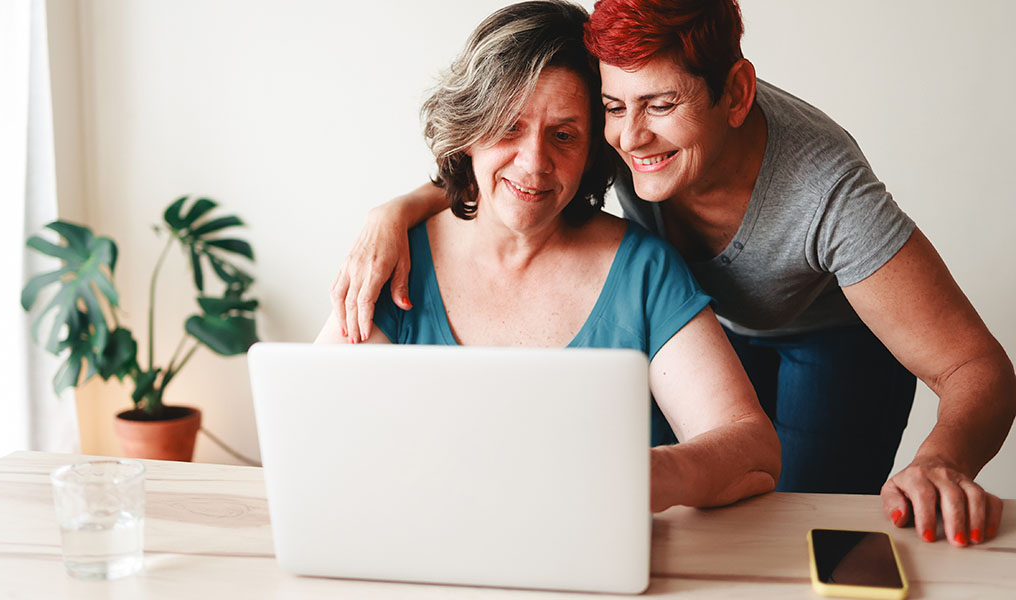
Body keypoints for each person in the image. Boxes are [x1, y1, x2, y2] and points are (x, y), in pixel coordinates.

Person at [328, 0, 1015, 547]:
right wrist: (395, 211)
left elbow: (974, 366)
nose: (631, 138)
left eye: (661, 106)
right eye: (615, 111)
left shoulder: (827, 193)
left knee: (801, 526)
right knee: (695, 521)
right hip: (698, 317)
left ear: (736, 94)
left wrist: (941, 462)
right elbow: (514, 163)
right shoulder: (609, 131)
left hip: (827, 338)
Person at [315, 0, 779, 513]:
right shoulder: (396, 262)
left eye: (563, 136)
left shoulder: (643, 272)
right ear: (469, 130)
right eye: (509, 127)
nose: (534, 164)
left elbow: (753, 448)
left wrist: (652, 473)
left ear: (592, 153)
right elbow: (312, 433)